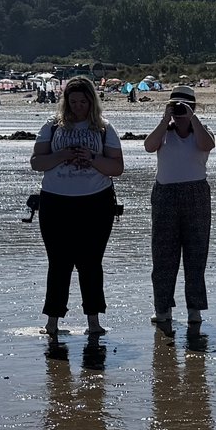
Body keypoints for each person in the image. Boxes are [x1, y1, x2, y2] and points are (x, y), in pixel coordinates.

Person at [30, 75, 125, 340]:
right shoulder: (51, 125)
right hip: (55, 201)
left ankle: (93, 321)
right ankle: (52, 321)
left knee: (91, 263)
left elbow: (117, 167)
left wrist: (92, 158)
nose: (78, 107)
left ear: (91, 101)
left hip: (96, 201)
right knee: (58, 263)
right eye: (73, 102)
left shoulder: (104, 128)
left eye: (83, 101)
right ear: (65, 102)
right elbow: (36, 162)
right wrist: (62, 155)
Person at [142, 86, 216, 333]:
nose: (179, 111)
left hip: (196, 193)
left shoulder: (201, 132)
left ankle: (194, 309)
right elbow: (149, 146)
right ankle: (162, 308)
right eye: (175, 106)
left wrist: (192, 118)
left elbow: (207, 145)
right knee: (163, 255)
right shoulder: (165, 132)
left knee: (196, 254)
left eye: (184, 106)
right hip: (165, 195)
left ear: (193, 108)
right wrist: (166, 119)